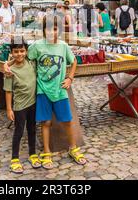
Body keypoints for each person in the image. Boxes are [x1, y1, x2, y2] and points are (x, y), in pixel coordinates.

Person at [8, 15, 86, 169]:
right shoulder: (37, 46)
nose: (52, 32)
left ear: (60, 30)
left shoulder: (63, 46)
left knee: (67, 121)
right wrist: (7, 64)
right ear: (43, 30)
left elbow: (74, 61)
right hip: (43, 90)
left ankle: (73, 148)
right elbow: (23, 58)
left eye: (55, 29)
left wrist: (70, 77)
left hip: (60, 91)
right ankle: (47, 151)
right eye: (48, 28)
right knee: (46, 122)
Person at [3, 38, 41, 174]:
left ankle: (32, 154)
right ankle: (14, 159)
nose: (19, 54)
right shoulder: (10, 71)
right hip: (20, 106)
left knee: (32, 130)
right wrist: (9, 109)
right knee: (18, 132)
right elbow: (8, 91)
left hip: (33, 104)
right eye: (16, 51)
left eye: (22, 51)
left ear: (26, 51)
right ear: (11, 52)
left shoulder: (31, 63)